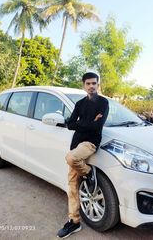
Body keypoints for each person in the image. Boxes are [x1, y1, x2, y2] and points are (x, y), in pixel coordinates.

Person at [57, 72, 109, 238]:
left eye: (94, 83)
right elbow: (70, 125)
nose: (91, 86)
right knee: (72, 186)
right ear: (84, 85)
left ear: (98, 84)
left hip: (90, 143)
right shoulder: (79, 104)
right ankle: (74, 222)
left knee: (70, 158)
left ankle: (88, 172)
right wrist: (89, 122)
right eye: (88, 83)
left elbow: (97, 127)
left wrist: (83, 124)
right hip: (76, 143)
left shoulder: (103, 102)